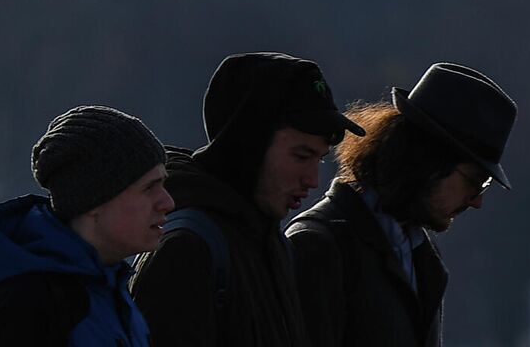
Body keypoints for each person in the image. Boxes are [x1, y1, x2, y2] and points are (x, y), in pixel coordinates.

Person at [130, 52, 365, 347]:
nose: (313, 180)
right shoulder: (186, 250)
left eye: (319, 159)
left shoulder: (271, 243)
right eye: (301, 156)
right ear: (248, 145)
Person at [286, 62, 518, 347]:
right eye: (474, 181)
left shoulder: (419, 252)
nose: (477, 201)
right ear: (426, 160)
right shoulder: (319, 246)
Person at [0, 105, 174, 346]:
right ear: (94, 200)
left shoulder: (105, 290)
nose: (168, 203)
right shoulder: (27, 308)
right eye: (148, 188)